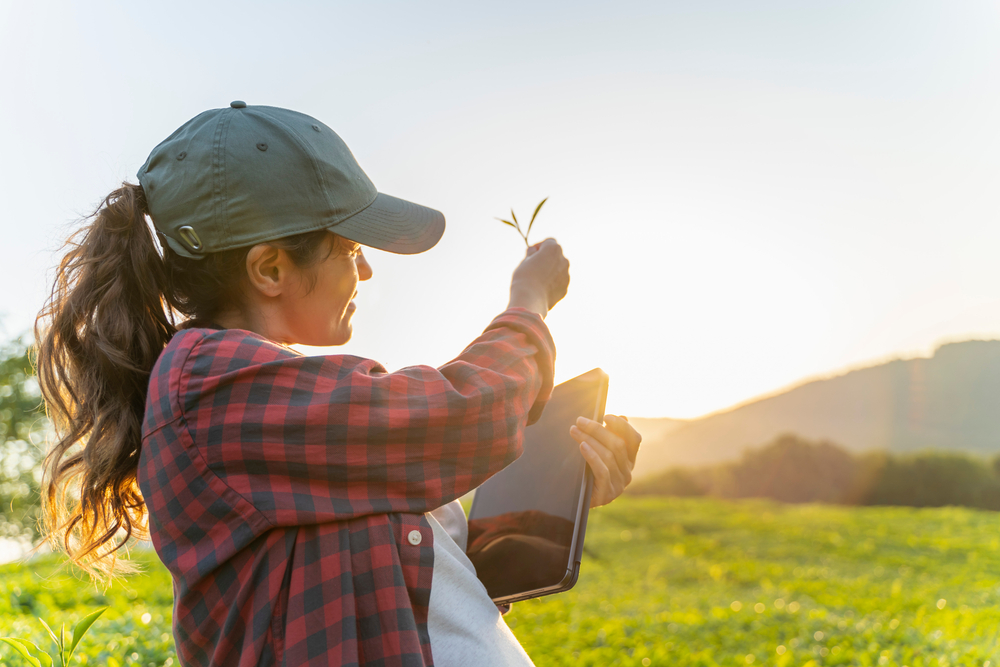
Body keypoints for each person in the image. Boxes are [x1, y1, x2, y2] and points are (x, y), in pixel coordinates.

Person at [35, 102, 642, 667]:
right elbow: (460, 412)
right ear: (270, 268)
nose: (368, 268)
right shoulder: (211, 383)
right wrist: (529, 304)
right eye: (351, 248)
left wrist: (566, 493)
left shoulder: (279, 397)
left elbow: (417, 575)